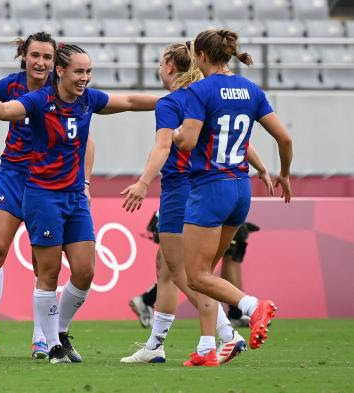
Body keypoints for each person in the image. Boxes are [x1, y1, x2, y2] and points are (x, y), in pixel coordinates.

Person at [0, 43, 158, 364]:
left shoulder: (89, 100)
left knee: (84, 272)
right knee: (48, 273)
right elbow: (9, 111)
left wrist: (173, 101)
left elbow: (132, 101)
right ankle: (51, 346)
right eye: (79, 71)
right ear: (61, 72)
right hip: (42, 195)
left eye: (89, 72)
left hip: (75, 197)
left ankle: (60, 331)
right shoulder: (40, 99)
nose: (85, 78)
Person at [0, 32, 96, 359]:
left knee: (45, 264)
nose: (40, 62)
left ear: (56, 62)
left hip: (51, 183)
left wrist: (85, 183)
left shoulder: (66, 91)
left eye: (47, 57)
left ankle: (43, 337)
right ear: (24, 56)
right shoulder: (10, 85)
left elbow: (86, 141)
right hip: (14, 176)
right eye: (34, 55)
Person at [118, 42, 273, 365]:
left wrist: (143, 182)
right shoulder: (203, 97)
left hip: (182, 189)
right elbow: (239, 141)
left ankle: (227, 335)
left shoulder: (177, 102)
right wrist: (262, 168)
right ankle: (159, 345)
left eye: (161, 63)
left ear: (170, 67)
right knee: (167, 266)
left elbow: (162, 147)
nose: (159, 69)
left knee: (188, 274)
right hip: (211, 188)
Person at [172, 29, 292, 366]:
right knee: (207, 272)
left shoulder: (199, 90)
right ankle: (208, 347)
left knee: (195, 275)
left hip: (210, 187)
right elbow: (284, 138)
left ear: (202, 57)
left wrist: (175, 134)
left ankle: (254, 307)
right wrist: (283, 174)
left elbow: (188, 142)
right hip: (240, 188)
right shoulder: (251, 90)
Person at [129, 217, 261, 328]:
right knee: (185, 269)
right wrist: (143, 184)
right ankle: (239, 315)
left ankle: (235, 316)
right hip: (193, 208)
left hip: (211, 203)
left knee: (195, 268)